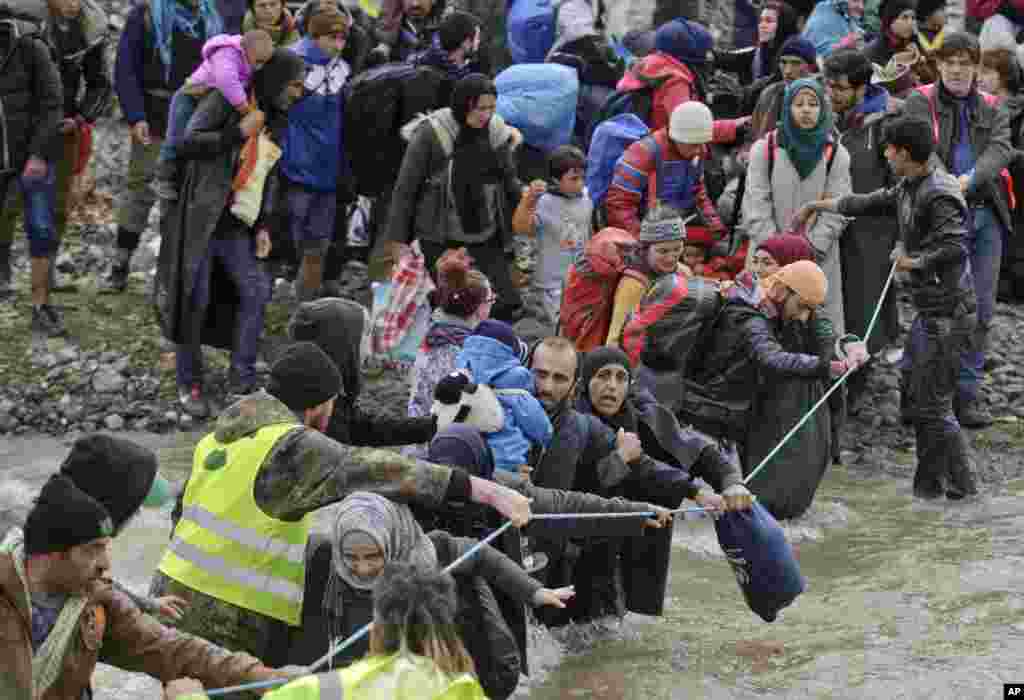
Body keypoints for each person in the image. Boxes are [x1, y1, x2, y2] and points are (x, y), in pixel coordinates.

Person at [150, 341, 531, 668]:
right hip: (225, 616)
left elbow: (180, 513)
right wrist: (491, 492)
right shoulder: (291, 446)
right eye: (332, 404)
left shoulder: (220, 439)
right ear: (318, 406)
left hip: (167, 599)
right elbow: (381, 469)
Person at [799, 115, 979, 500]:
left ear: (904, 153)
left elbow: (955, 246)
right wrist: (820, 205)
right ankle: (928, 490)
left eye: (889, 149)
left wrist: (910, 260)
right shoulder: (911, 183)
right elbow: (871, 201)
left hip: (949, 314)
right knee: (920, 399)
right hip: (932, 312)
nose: (884, 154)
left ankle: (966, 489)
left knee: (933, 406)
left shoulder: (940, 193)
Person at [0, 475, 295, 700]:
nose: (105, 564)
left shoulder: (95, 601)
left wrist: (264, 675)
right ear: (51, 553)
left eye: (106, 548)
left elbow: (171, 648)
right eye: (92, 549)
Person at [288, 493, 572, 698]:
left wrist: (533, 591)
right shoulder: (322, 561)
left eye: (373, 556)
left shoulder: (425, 554)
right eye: (351, 557)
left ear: (391, 542)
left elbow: (483, 556)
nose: (361, 569)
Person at [155, 48, 298, 415]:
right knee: (194, 298)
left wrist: (265, 224)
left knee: (254, 291)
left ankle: (242, 379)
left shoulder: (277, 119)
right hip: (201, 220)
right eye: (294, 85)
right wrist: (237, 132)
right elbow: (191, 140)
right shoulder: (226, 100)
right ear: (277, 81)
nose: (298, 93)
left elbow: (268, 177)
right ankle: (190, 382)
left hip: (237, 226)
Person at [686, 261, 866, 518]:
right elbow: (770, 358)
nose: (804, 316)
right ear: (783, 291)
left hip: (737, 412)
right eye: (802, 307)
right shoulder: (747, 315)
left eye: (809, 309)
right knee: (714, 508)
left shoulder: (780, 303)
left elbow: (820, 324)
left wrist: (850, 345)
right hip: (709, 410)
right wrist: (825, 366)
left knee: (735, 506)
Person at [903, 31, 1013, 427]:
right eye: (949, 61)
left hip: (984, 215)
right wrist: (946, 182)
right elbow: (918, 148)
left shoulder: (992, 106)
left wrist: (968, 180)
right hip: (938, 215)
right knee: (934, 307)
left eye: (965, 62)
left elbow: (1001, 149)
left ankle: (965, 397)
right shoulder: (921, 100)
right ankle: (917, 395)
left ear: (976, 67)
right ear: (938, 64)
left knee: (980, 310)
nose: (956, 69)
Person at [106, 0, 225, 293]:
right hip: (155, 116)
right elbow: (126, 69)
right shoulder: (146, 16)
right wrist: (135, 116)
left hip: (196, 120)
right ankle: (120, 266)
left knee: (184, 194)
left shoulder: (211, 20)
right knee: (141, 189)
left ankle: (169, 275)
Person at [386, 74, 525, 323]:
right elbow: (406, 188)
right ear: (463, 104)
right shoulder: (433, 133)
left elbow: (509, 183)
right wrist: (398, 241)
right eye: (479, 108)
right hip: (439, 234)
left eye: (491, 108)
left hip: (485, 233)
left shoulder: (496, 132)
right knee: (443, 303)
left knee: (504, 304)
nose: (485, 115)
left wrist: (527, 209)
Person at [0, 0, 111, 304]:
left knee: (58, 207)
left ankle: (46, 274)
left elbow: (100, 83)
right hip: (19, 126)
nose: (73, 3)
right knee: (8, 204)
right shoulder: (23, 21)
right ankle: (3, 272)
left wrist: (80, 118)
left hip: (64, 127)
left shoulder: (91, 28)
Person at [824, 48, 902, 413]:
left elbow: (899, 184)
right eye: (829, 85)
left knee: (863, 306)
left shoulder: (884, 125)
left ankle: (856, 381)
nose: (832, 94)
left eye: (840, 88)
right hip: (832, 225)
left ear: (860, 88)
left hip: (872, 231)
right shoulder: (829, 119)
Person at [743, 77, 852, 338]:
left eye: (813, 104)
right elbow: (756, 203)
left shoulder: (836, 154)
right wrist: (775, 252)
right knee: (763, 324)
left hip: (817, 258)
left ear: (822, 109)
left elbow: (839, 206)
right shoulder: (765, 149)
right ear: (787, 108)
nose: (806, 110)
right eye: (799, 104)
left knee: (815, 326)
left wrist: (810, 248)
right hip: (767, 260)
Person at [288, 297, 438, 447]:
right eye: (366, 334)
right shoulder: (317, 410)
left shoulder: (317, 389)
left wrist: (430, 427)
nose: (370, 347)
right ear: (343, 343)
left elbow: (362, 428)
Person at [280, 5, 352, 301]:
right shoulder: (289, 63)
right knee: (281, 243)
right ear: (315, 35)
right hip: (292, 169)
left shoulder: (342, 70)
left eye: (342, 38)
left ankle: (304, 312)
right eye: (331, 38)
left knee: (317, 247)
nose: (338, 45)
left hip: (327, 172)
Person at [153, 29, 274, 200]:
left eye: (264, 63)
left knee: (190, 143)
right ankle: (164, 178)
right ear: (246, 50)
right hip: (188, 96)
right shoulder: (227, 54)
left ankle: (179, 179)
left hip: (206, 99)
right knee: (176, 138)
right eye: (258, 62)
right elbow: (226, 80)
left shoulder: (249, 57)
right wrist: (244, 108)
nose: (259, 67)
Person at [0, 10, 64, 333]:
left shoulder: (29, 45)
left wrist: (38, 155)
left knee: (39, 228)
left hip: (33, 157)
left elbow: (53, 103)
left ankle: (41, 305)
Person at [605, 101, 729, 241]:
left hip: (678, 232)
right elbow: (619, 205)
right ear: (676, 137)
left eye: (704, 143)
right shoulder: (643, 153)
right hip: (649, 235)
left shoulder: (695, 152)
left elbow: (698, 193)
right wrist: (641, 242)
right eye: (695, 144)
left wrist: (715, 226)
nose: (701, 150)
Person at [449, 320, 553, 473]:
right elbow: (540, 428)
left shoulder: (456, 379)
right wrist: (544, 440)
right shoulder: (517, 390)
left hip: (460, 459)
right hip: (505, 464)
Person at [407, 248, 494, 424]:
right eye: (491, 300)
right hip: (440, 440)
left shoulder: (432, 333)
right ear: (479, 308)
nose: (492, 305)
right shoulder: (465, 353)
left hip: (415, 432)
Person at [511, 145, 592, 330]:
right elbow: (522, 227)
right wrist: (529, 200)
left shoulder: (587, 200)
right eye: (573, 179)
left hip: (579, 277)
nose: (580, 184)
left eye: (582, 178)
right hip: (550, 283)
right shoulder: (544, 202)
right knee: (558, 328)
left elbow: (589, 233)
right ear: (556, 179)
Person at [604, 204, 690, 346]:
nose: (671, 258)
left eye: (677, 249)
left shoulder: (683, 272)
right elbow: (615, 338)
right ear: (645, 249)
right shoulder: (634, 284)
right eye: (663, 251)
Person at [747, 36, 819, 146]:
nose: (788, 70)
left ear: (811, 67)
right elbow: (753, 135)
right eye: (783, 62)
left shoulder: (822, 97)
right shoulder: (769, 94)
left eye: (796, 63)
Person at [714, 1, 801, 85]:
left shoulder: (792, 56)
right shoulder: (761, 53)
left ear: (783, 24)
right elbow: (736, 60)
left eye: (769, 21)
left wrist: (740, 91)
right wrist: (711, 55)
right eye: (761, 20)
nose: (762, 25)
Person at [865, 0, 921, 68]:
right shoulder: (873, 52)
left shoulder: (914, 46)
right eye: (904, 17)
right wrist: (894, 62)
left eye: (913, 18)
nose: (910, 23)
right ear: (889, 21)